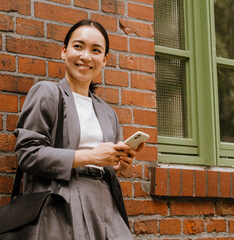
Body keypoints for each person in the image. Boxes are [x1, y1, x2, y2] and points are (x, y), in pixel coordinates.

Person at [14, 19, 143, 240]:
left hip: (104, 204)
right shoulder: (47, 92)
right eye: (78, 46)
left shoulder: (107, 112)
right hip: (61, 204)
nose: (85, 56)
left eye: (95, 50)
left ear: (104, 60)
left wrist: (117, 164)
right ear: (64, 52)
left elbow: (104, 162)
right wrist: (91, 156)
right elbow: (27, 154)